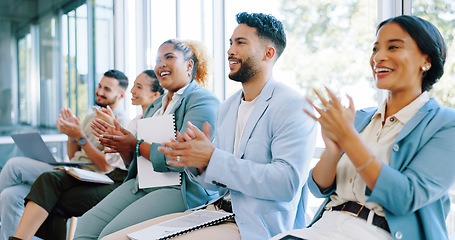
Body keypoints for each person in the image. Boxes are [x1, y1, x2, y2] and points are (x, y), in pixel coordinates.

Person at [122, 12, 315, 240]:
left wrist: (212, 158)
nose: (230, 51)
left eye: (240, 43)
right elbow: (216, 185)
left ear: (268, 53)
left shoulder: (294, 105)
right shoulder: (227, 107)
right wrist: (196, 163)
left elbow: (286, 183)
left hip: (255, 224)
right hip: (213, 211)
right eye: (231, 43)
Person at [272, 15, 455, 240]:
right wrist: (332, 150)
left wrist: (349, 139)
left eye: (393, 47)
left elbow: (405, 198)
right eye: (375, 48)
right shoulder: (360, 119)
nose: (379, 57)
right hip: (323, 228)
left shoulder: (445, 124)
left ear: (426, 60)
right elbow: (316, 188)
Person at [72, 39, 220, 239]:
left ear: (189, 65)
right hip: (141, 183)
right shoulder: (155, 105)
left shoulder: (202, 100)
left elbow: (183, 158)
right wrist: (121, 143)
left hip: (178, 189)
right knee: (86, 226)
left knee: (110, 235)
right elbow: (136, 160)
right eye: (158, 59)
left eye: (169, 57)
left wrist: (134, 144)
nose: (161, 64)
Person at [10, 70, 164, 240]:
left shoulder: (145, 123)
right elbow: (108, 159)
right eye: (134, 85)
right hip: (107, 174)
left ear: (155, 95)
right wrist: (72, 135)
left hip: (117, 179)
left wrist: (104, 133)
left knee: (22, 173)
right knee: (47, 180)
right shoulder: (132, 121)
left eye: (139, 87)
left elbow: (114, 165)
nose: (133, 91)